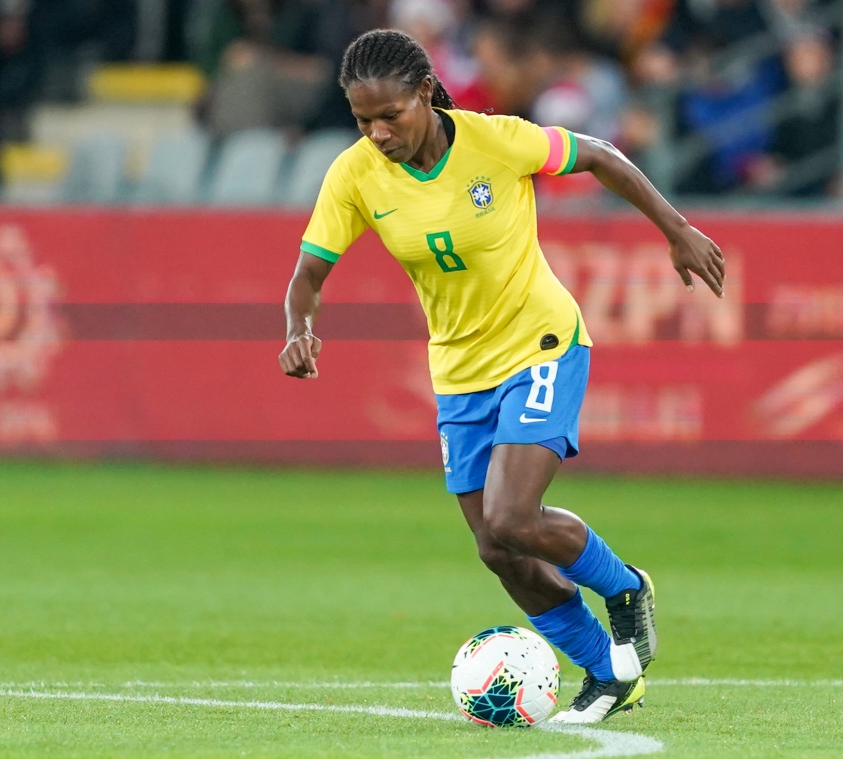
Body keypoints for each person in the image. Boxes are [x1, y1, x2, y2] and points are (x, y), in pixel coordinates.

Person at [278, 28, 724, 724]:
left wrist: (676, 229)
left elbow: (601, 156)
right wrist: (299, 329)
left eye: (389, 115)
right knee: (496, 545)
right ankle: (610, 675)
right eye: (363, 120)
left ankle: (626, 586)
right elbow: (308, 275)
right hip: (459, 370)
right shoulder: (356, 174)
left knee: (513, 513)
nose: (377, 133)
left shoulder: (496, 141)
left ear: (425, 94)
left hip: (539, 341)